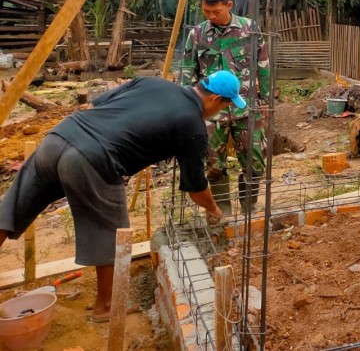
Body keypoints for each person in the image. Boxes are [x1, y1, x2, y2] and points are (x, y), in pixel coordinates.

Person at [0, 71, 242, 322]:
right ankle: (106, 307)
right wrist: (214, 210)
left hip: (60, 136)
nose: (220, 112)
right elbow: (196, 188)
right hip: (93, 157)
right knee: (110, 231)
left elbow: (94, 105)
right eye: (225, 106)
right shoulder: (193, 126)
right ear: (215, 99)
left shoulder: (153, 82)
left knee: (13, 206)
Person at [182, 0, 270, 215]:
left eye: (216, 12)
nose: (211, 16)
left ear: (229, 5)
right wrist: (187, 108)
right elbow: (187, 73)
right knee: (214, 166)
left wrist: (267, 101)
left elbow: (264, 67)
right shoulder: (197, 34)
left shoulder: (250, 29)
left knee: (255, 162)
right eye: (206, 11)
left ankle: (249, 209)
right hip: (211, 112)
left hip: (246, 107)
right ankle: (223, 213)